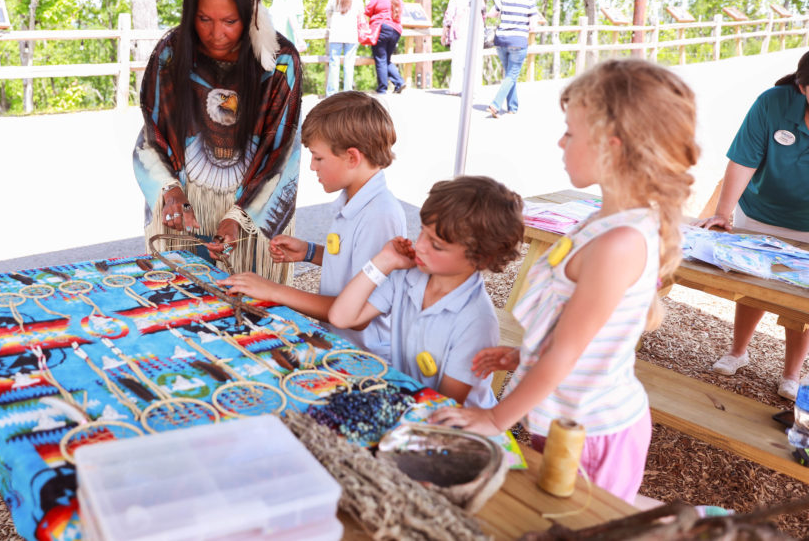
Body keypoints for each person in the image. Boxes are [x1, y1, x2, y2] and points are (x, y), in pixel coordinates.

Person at [430, 60, 700, 504]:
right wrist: (525, 355)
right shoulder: (605, 220)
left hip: (592, 433)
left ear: (611, 148)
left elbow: (568, 353)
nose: (560, 141)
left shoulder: (619, 242)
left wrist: (495, 419)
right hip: (566, 419)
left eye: (570, 132)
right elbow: (582, 333)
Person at [133, 0, 303, 283]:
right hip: (184, 208)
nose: (216, 34)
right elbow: (153, 135)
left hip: (253, 208)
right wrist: (170, 190)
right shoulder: (171, 54)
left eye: (230, 21)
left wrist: (240, 216)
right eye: (203, 19)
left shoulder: (280, 62)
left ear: (250, 15)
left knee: (254, 321)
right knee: (180, 308)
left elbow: (282, 150)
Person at [219, 91, 404, 359]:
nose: (312, 167)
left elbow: (358, 315)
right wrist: (309, 252)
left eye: (318, 158)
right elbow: (358, 266)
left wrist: (274, 291)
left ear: (352, 158)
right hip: (338, 344)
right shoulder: (354, 200)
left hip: (365, 357)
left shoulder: (380, 215)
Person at [327, 176, 524, 408]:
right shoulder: (407, 276)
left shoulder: (477, 322)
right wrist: (383, 261)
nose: (419, 245)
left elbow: (444, 405)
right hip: (410, 401)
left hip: (452, 422)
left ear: (481, 259)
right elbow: (341, 317)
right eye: (422, 232)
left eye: (436, 244)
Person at [700, 50, 809, 400]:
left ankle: (792, 372)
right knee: (752, 283)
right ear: (804, 88)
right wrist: (723, 212)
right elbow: (743, 159)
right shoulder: (772, 103)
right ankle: (737, 351)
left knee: (803, 300)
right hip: (759, 211)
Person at [487, 0, 539, 117]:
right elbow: (533, 26)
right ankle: (495, 104)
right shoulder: (530, 2)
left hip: (501, 41)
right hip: (518, 42)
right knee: (512, 75)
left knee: (510, 75)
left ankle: (512, 107)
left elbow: (491, 14)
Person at [365, 0, 405, 95]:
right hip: (396, 30)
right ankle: (399, 82)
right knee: (386, 59)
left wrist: (369, 1)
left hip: (382, 28)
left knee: (381, 58)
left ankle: (382, 88)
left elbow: (367, 11)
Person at [324, 0, 364, 95]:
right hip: (351, 34)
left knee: (334, 63)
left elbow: (328, 11)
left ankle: (332, 93)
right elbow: (361, 13)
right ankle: (348, 92)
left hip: (336, 33)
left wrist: (330, 24)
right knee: (349, 64)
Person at [441, 0, 478, 95]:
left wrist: (444, 33)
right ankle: (473, 89)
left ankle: (456, 88)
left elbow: (448, 17)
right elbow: (483, 14)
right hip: (475, 34)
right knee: (474, 62)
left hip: (460, 33)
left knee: (458, 61)